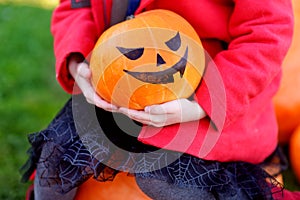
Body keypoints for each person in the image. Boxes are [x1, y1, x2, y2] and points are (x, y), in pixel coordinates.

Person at [21, 0, 298, 199]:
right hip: (114, 87)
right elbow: (75, 5)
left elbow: (266, 31)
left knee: (163, 182)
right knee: (57, 158)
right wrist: (78, 60)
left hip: (205, 92)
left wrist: (204, 104)